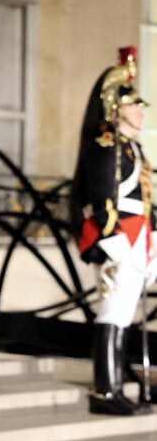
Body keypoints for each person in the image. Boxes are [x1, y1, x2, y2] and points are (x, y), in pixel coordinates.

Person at [71, 46, 156, 416]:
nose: (140, 111)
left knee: (123, 315)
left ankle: (117, 387)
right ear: (116, 108)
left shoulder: (133, 148)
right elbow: (101, 198)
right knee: (112, 312)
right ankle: (105, 391)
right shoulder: (106, 148)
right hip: (118, 239)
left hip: (138, 238)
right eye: (133, 104)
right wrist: (114, 243)